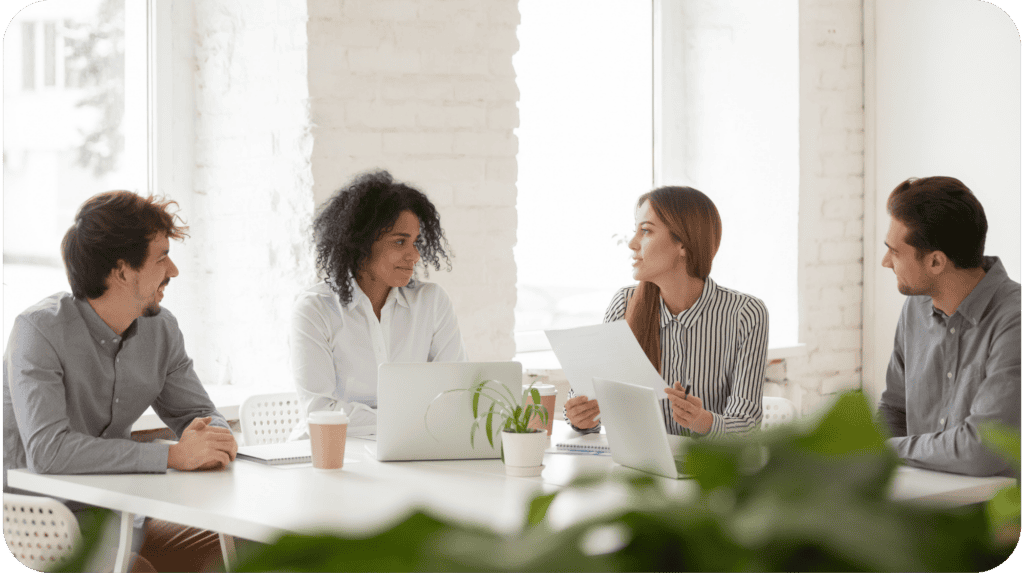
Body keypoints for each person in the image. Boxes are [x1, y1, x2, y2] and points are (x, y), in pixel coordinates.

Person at [2, 190, 238, 571]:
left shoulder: (161, 330)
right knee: (135, 569)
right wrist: (173, 455)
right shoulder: (38, 331)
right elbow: (48, 451)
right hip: (43, 525)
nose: (173, 271)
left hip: (122, 513)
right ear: (122, 270)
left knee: (239, 548)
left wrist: (214, 441)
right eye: (161, 258)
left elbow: (199, 413)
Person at [565, 186, 769, 437]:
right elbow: (593, 400)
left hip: (709, 470)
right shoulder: (624, 304)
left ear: (683, 243)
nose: (632, 244)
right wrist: (581, 418)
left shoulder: (745, 314)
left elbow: (746, 424)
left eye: (646, 231)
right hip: (639, 469)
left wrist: (703, 421)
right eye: (635, 230)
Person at [290, 170, 467, 439]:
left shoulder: (431, 302)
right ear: (360, 245)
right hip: (330, 454)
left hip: (411, 447)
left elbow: (455, 392)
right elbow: (320, 410)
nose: (415, 256)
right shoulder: (315, 310)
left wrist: (416, 424)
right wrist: (414, 420)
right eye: (399, 241)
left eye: (416, 242)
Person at [877, 176, 1021, 477]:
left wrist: (889, 450)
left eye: (895, 251)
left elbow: (982, 450)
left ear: (936, 262)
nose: (885, 262)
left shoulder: (1014, 319)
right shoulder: (915, 308)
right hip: (926, 505)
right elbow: (894, 410)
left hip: (994, 518)